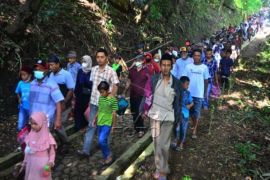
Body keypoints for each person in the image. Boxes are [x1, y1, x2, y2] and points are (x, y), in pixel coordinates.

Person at [143, 54, 182, 180]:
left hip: (168, 118)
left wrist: (177, 120)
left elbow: (178, 103)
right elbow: (147, 96)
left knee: (164, 145)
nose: (165, 68)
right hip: (154, 116)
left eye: (168, 65)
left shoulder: (176, 83)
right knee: (156, 144)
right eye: (163, 65)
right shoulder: (153, 79)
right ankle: (159, 167)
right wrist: (143, 110)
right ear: (160, 66)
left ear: (171, 66)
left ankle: (163, 172)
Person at [78, 48, 119, 157]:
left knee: (106, 125)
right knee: (91, 125)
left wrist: (111, 98)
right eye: (98, 57)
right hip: (94, 102)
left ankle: (106, 148)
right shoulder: (94, 70)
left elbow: (115, 85)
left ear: (106, 58)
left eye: (102, 57)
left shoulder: (111, 71)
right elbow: (93, 86)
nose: (100, 59)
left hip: (106, 105)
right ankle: (85, 150)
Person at [48, 54, 75, 152]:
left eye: (52, 65)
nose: (50, 67)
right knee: (53, 126)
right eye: (49, 65)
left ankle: (66, 143)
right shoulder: (51, 75)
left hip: (64, 104)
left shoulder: (66, 74)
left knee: (58, 125)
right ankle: (61, 143)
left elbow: (71, 89)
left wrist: (64, 102)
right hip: (54, 105)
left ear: (58, 64)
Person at [29, 59, 64, 130]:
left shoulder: (52, 84)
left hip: (46, 121)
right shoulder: (32, 84)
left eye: (40, 69)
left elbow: (58, 102)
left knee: (44, 139)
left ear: (46, 70)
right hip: (33, 119)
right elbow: (30, 102)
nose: (37, 71)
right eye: (36, 69)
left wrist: (58, 120)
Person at [182, 49, 210, 139]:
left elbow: (206, 81)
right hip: (188, 94)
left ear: (201, 56)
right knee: (190, 112)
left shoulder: (204, 67)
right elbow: (184, 79)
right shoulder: (188, 66)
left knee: (197, 113)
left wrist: (205, 93)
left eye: (198, 55)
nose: (197, 57)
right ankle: (194, 124)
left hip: (199, 94)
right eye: (195, 55)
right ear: (192, 56)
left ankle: (194, 130)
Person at [22, 112, 57, 180]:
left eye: (35, 124)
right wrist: (25, 162)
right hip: (31, 164)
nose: (32, 126)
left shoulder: (48, 137)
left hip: (43, 166)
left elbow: (52, 152)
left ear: (42, 123)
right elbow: (27, 149)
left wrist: (50, 162)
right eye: (31, 123)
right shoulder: (30, 135)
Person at [92, 81, 118, 166]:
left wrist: (114, 126)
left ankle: (109, 155)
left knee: (101, 140)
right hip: (100, 122)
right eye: (100, 92)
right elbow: (100, 109)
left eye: (102, 92)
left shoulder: (113, 100)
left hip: (107, 123)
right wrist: (95, 119)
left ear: (107, 90)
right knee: (103, 141)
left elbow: (114, 113)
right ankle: (106, 156)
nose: (101, 94)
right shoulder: (101, 98)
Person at [124, 57, 150, 137]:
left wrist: (149, 93)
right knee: (134, 111)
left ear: (142, 61)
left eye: (139, 61)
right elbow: (129, 81)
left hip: (142, 95)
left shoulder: (146, 70)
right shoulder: (132, 70)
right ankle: (136, 127)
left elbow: (149, 82)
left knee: (139, 111)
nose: (137, 62)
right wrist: (124, 91)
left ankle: (141, 129)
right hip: (133, 94)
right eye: (136, 61)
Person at [172, 76, 193, 150]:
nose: (188, 86)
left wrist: (189, 106)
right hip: (176, 114)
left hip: (185, 115)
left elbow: (192, 102)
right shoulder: (175, 92)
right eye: (187, 84)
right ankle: (175, 141)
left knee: (183, 129)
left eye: (188, 84)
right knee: (176, 128)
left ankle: (181, 143)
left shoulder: (188, 93)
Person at [74, 55, 93, 131]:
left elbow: (93, 84)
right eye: (82, 62)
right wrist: (75, 92)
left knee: (86, 110)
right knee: (78, 110)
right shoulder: (80, 71)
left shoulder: (92, 72)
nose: (83, 63)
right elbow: (77, 82)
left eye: (85, 61)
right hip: (79, 94)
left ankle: (86, 125)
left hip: (88, 95)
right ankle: (78, 125)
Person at [15, 66, 32, 131]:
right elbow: (17, 92)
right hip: (22, 105)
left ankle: (30, 135)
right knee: (21, 122)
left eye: (24, 75)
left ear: (29, 75)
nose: (22, 76)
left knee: (31, 121)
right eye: (21, 75)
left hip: (30, 106)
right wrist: (19, 98)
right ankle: (21, 133)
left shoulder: (33, 83)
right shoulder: (20, 83)